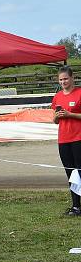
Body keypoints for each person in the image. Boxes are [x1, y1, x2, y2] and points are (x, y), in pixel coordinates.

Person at [52, 65, 81, 215]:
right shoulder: (57, 96)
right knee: (70, 173)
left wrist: (71, 115)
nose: (63, 82)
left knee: (80, 171)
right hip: (63, 139)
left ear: (72, 78)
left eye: (65, 79)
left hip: (78, 138)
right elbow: (55, 120)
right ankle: (76, 206)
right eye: (61, 79)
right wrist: (57, 117)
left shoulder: (80, 93)